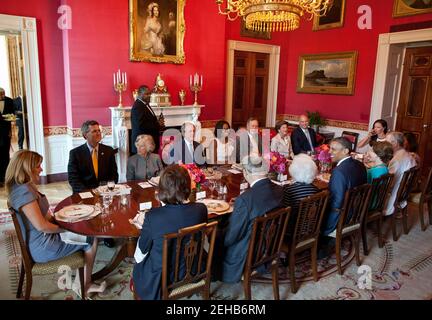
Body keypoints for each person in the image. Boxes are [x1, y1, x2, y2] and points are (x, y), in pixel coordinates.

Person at [6, 150, 106, 295]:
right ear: (27, 168)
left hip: (38, 241)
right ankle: (85, 285)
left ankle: (82, 281)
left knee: (82, 230)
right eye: (38, 166)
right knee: (91, 239)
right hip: (43, 246)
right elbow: (43, 226)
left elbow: (44, 218)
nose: (41, 169)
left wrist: (67, 220)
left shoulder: (20, 187)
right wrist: (67, 229)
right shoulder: (24, 192)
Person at [132, 165, 208, 300]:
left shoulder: (153, 217)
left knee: (138, 264)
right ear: (188, 186)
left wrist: (143, 226)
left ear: (161, 189)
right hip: (195, 270)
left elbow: (140, 254)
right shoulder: (201, 209)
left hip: (162, 280)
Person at [221, 155, 283, 283]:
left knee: (214, 238)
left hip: (248, 255)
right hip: (270, 247)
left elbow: (231, 238)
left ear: (245, 172)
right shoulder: (279, 189)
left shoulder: (245, 200)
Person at [322, 137, 367, 237]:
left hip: (342, 218)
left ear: (345, 151)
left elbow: (337, 203)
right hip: (356, 212)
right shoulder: (360, 164)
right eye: (330, 148)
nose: (329, 152)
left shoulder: (338, 171)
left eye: (333, 149)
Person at [68, 120, 118, 194]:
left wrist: (107, 189)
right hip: (85, 193)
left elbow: (114, 175)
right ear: (85, 135)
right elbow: (73, 179)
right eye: (94, 131)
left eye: (99, 131)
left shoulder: (108, 151)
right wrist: (88, 193)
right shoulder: (75, 153)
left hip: (105, 191)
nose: (98, 133)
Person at [282, 154, 319, 238]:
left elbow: (285, 214)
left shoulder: (289, 190)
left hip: (293, 234)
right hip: (312, 229)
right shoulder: (316, 189)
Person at [384, 132, 416, 216]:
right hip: (403, 193)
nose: (384, 144)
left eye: (387, 142)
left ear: (396, 144)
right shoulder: (408, 155)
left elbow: (388, 183)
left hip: (394, 196)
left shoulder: (396, 160)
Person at [131, 85, 160, 155]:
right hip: (143, 145)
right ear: (140, 95)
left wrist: (158, 124)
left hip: (149, 145)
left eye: (150, 93)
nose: (149, 96)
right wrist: (156, 125)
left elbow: (148, 120)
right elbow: (140, 126)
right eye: (147, 94)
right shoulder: (138, 106)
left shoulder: (145, 104)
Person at [0, 88, 14, 186]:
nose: (2, 96)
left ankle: (6, 176)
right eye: (1, 94)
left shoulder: (9, 101)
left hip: (6, 132)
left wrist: (10, 131)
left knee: (5, 153)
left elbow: (12, 116)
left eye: (3, 94)